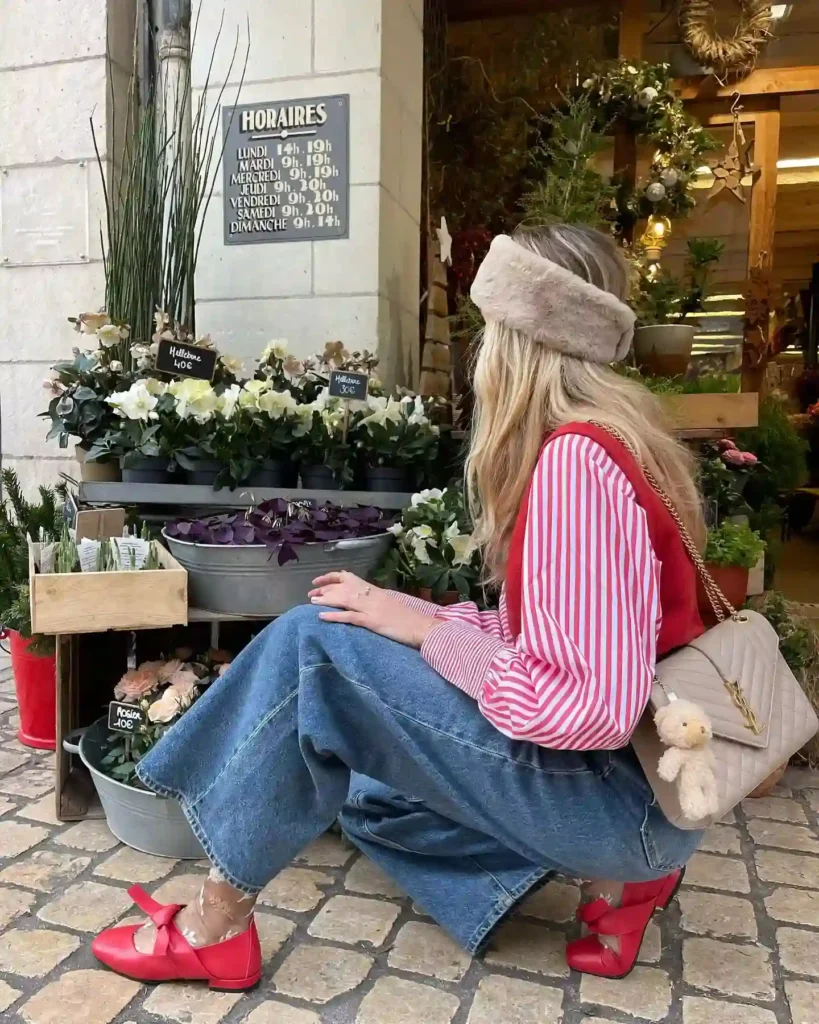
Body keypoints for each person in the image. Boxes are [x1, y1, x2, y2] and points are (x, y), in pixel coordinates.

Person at [92, 224, 706, 990]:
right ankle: (612, 885)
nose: (478, 355)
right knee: (369, 793)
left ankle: (215, 924)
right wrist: (424, 622)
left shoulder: (576, 463)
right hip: (652, 792)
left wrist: (427, 632)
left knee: (313, 645)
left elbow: (586, 708)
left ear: (516, 338)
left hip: (620, 803)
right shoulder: (627, 443)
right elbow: (560, 644)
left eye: (486, 328)